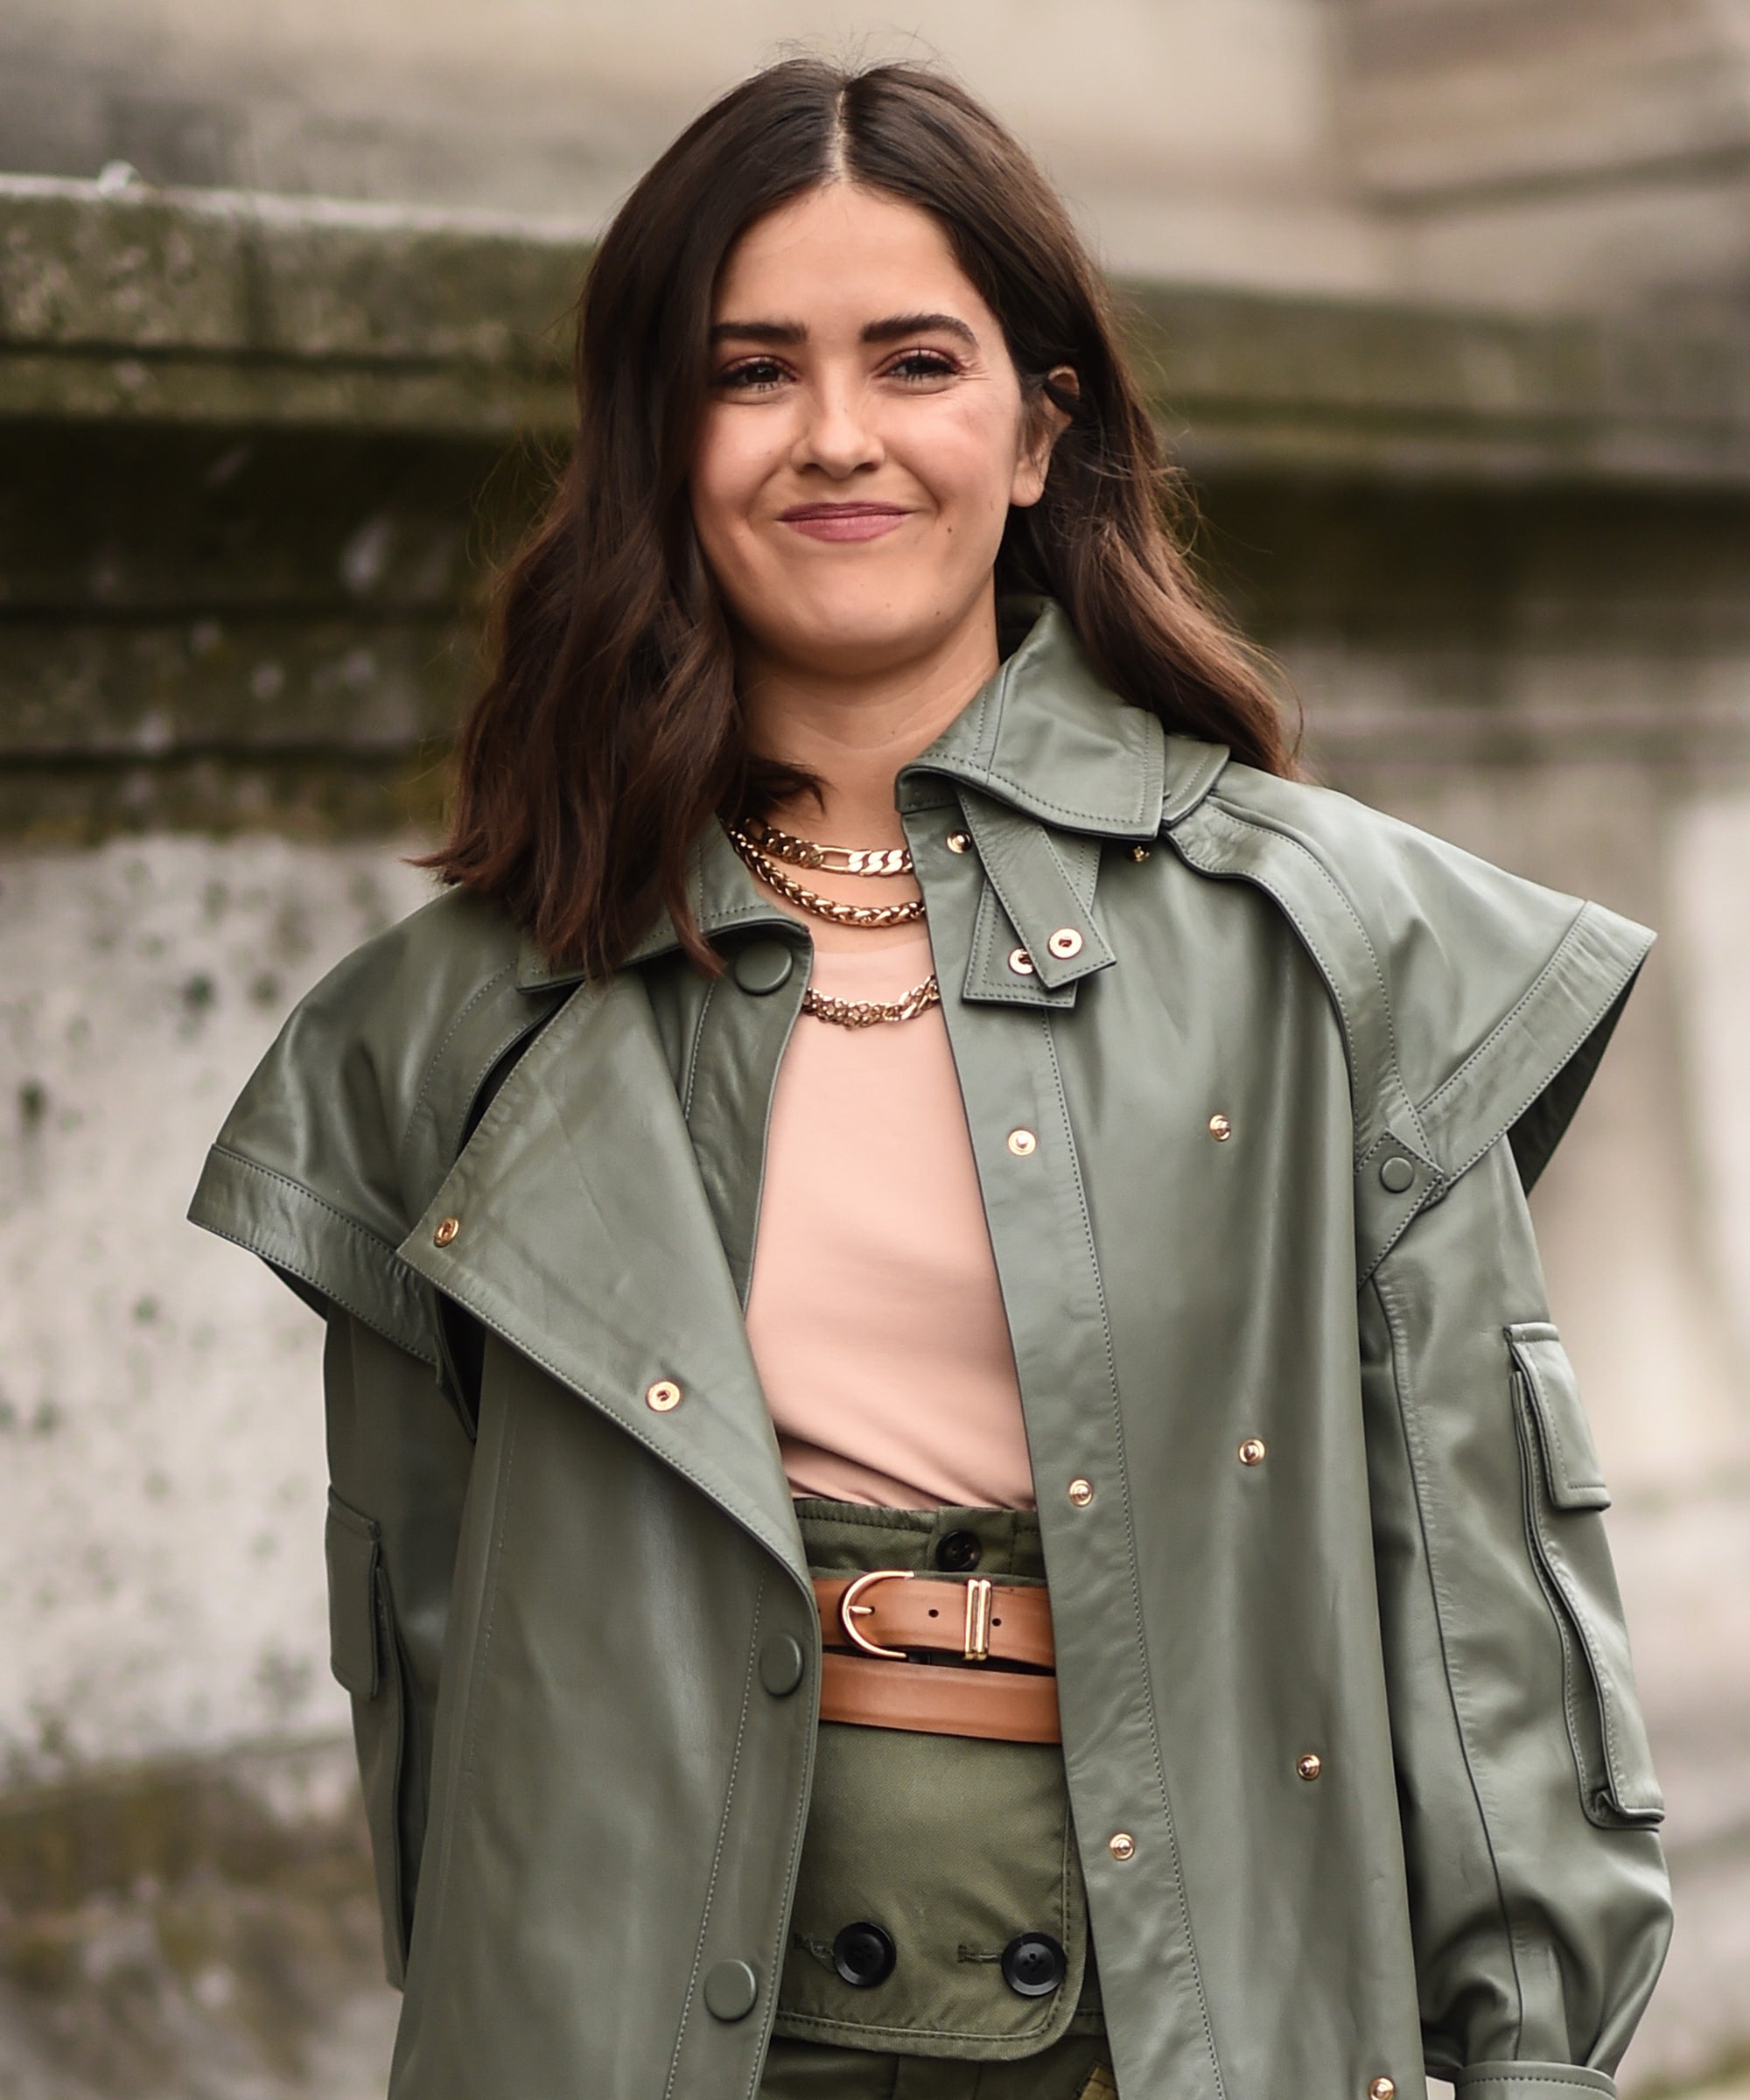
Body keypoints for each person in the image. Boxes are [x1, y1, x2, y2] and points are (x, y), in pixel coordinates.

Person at [188, 57, 1672, 2100]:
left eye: (913, 360)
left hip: (1178, 2026)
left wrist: (1536, 2063)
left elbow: (1482, 1617)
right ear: (658, 437)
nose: (837, 438)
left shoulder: (1329, 947)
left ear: (1038, 423)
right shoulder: (445, 1031)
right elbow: (442, 1703)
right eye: (750, 369)